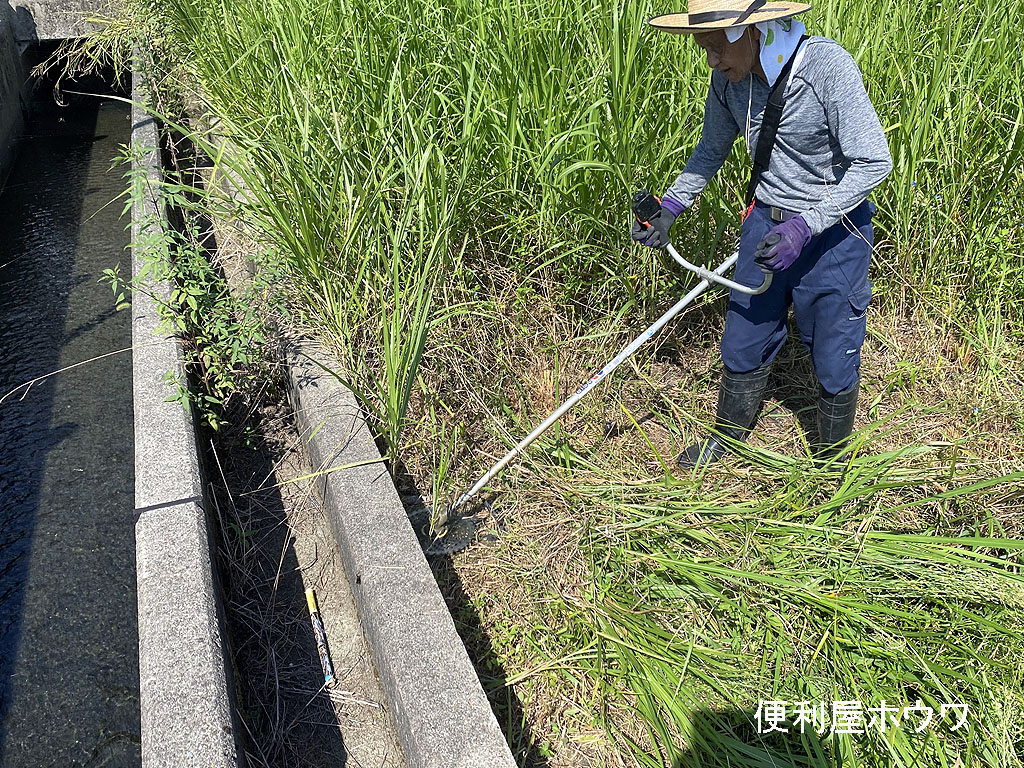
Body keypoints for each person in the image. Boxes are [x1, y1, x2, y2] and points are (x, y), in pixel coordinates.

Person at [632, 0, 892, 466]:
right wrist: (671, 206)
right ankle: (728, 438)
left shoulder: (826, 68)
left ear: (755, 32)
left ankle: (832, 465)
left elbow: (874, 160)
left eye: (716, 46)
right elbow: (710, 149)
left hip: (833, 232)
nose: (711, 59)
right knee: (742, 340)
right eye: (703, 47)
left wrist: (806, 224)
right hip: (765, 223)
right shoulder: (729, 81)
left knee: (833, 353)